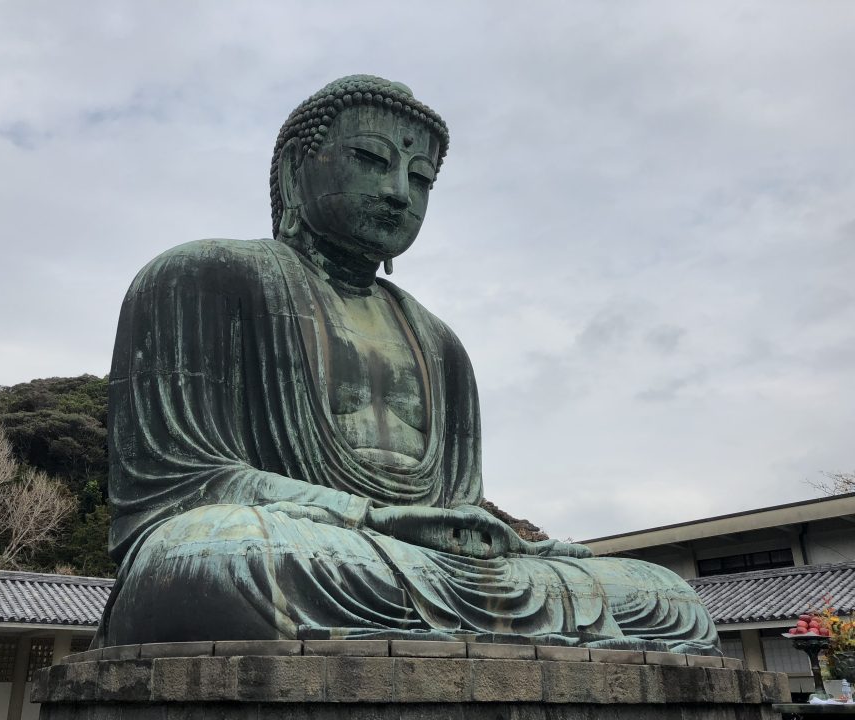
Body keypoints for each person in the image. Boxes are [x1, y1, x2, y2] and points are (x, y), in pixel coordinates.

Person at [96, 75, 718, 654]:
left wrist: (499, 541)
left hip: (417, 566)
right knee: (215, 558)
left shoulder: (439, 342)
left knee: (664, 595)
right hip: (297, 544)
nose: (398, 193)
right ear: (292, 170)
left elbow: (457, 503)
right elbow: (182, 487)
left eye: (420, 179)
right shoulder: (199, 277)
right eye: (371, 160)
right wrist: (367, 516)